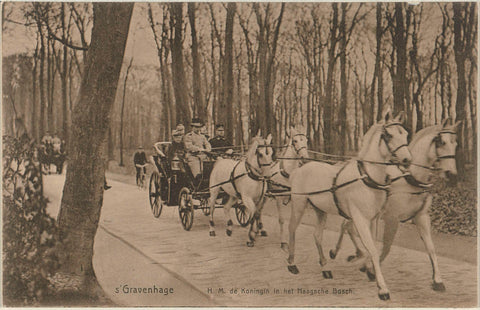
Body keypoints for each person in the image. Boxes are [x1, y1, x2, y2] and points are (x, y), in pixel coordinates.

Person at [184, 118, 211, 182]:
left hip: (203, 156)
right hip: (193, 156)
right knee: (197, 173)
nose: (198, 129)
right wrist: (199, 149)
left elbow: (207, 144)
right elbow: (189, 146)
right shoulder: (188, 136)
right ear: (192, 127)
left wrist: (208, 149)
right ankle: (198, 180)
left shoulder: (202, 136)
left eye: (199, 127)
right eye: (196, 127)